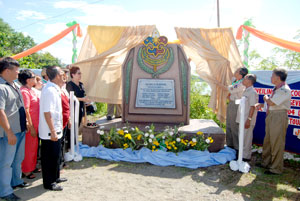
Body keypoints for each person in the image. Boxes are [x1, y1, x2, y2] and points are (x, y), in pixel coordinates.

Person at [0, 57, 28, 201]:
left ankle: (15, 181)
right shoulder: (1, 87)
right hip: (8, 132)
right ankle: (5, 192)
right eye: (16, 70)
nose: (18, 73)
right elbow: (1, 112)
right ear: (6, 71)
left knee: (17, 158)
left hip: (20, 129)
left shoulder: (14, 84)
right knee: (5, 162)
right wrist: (9, 132)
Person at [256, 68, 291, 175]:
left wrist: (265, 98)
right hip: (272, 116)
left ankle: (276, 168)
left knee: (277, 143)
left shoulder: (284, 89)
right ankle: (266, 163)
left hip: (278, 117)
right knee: (268, 141)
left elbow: (271, 103)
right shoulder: (276, 89)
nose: (271, 78)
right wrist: (263, 104)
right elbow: (271, 104)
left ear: (278, 77)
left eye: (272, 75)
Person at [39, 66, 67, 191]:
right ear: (56, 76)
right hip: (50, 131)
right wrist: (53, 131)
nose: (64, 75)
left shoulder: (55, 88)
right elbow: (47, 112)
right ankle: (49, 182)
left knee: (56, 155)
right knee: (49, 157)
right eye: (62, 73)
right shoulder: (49, 90)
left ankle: (56, 177)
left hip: (56, 128)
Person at [18, 69, 40, 179]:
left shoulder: (31, 90)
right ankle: (26, 170)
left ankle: (32, 166)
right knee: (28, 148)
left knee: (34, 147)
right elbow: (26, 110)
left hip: (36, 124)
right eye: (33, 77)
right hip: (30, 125)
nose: (35, 78)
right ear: (28, 80)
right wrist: (31, 127)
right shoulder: (24, 92)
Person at [236, 74, 258, 161]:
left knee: (247, 138)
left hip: (246, 119)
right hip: (242, 118)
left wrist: (249, 120)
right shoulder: (246, 90)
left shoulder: (252, 92)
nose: (242, 80)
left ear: (249, 81)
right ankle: (241, 155)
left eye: (244, 79)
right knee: (242, 137)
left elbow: (253, 106)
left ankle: (246, 156)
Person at [226, 67, 248, 154]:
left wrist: (229, 90)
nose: (234, 72)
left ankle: (236, 148)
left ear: (240, 74)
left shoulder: (242, 83)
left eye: (236, 71)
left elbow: (231, 89)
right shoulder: (236, 81)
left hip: (236, 105)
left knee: (234, 126)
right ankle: (229, 145)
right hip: (232, 103)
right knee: (229, 125)